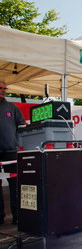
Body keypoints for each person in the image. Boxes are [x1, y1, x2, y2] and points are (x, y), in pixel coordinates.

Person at [0, 80, 25, 225]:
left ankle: (17, 215)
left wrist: (17, 142)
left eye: (4, 88)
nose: (3, 90)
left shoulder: (12, 107)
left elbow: (21, 126)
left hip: (10, 151)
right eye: (0, 88)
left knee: (15, 184)